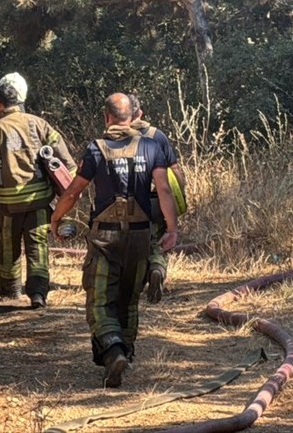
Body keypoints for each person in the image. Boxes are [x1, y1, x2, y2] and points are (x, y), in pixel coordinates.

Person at [51, 93, 178, 387]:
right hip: (141, 235)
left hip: (105, 237)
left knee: (99, 300)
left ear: (107, 117)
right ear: (131, 117)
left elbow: (73, 192)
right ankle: (127, 352)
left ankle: (113, 350)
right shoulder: (150, 145)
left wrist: (56, 219)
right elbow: (164, 189)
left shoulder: (96, 149)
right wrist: (172, 228)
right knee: (129, 299)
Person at [0, 73, 76, 308]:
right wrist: (68, 193)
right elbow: (66, 162)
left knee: (8, 246)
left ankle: (11, 289)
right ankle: (38, 294)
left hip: (6, 205)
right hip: (39, 202)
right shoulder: (39, 124)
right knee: (38, 247)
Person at [128, 94, 187, 303]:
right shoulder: (157, 135)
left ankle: (135, 281)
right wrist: (180, 197)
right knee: (158, 241)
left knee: (129, 242)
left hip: (127, 202)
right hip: (156, 200)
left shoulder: (114, 137)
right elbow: (174, 172)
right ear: (140, 113)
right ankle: (157, 269)